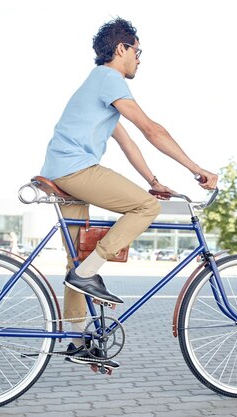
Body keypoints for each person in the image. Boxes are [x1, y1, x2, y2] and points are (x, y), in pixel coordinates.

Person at [39, 17, 218, 366]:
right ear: (121, 49)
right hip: (75, 170)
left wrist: (153, 179)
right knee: (146, 209)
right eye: (138, 51)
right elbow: (151, 130)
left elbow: (128, 142)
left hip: (59, 170)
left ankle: (77, 340)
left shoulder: (97, 86)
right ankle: (88, 273)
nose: (140, 58)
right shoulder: (109, 79)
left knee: (77, 258)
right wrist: (197, 169)